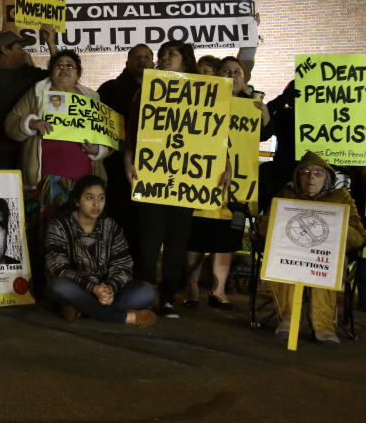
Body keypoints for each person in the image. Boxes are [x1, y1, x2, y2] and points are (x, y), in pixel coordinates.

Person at [123, 40, 229, 318]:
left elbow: (216, 135)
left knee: (176, 246)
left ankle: (168, 297)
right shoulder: (146, 91)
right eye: (163, 54)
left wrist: (226, 164)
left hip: (185, 184)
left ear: (186, 60)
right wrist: (128, 161)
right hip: (152, 178)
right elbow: (132, 132)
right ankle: (145, 294)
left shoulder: (205, 93)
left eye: (171, 54)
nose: (165, 58)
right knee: (148, 245)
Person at [185, 56, 271, 310]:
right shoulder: (202, 100)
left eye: (237, 72)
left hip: (238, 187)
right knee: (196, 238)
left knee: (226, 240)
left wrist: (264, 114)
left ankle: (219, 290)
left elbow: (266, 133)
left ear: (244, 80)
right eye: (226, 71)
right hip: (204, 180)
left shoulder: (252, 105)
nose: (232, 76)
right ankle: (191, 287)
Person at [257, 151, 366, 345]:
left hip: (325, 257)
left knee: (324, 266)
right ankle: (289, 318)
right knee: (283, 261)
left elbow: (359, 236)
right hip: (291, 253)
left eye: (317, 173)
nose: (310, 178)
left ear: (327, 177)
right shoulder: (287, 194)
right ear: (297, 176)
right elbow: (263, 225)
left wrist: (336, 226)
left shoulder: (341, 198)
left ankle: (323, 324)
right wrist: (281, 223)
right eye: (305, 172)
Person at [4, 50, 111, 243]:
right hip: (45, 177)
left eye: (70, 66)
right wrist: (31, 123)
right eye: (58, 65)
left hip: (83, 178)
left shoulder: (92, 99)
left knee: (81, 234)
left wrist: (97, 150)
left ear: (78, 74)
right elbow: (11, 123)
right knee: (47, 234)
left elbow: (107, 138)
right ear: (51, 72)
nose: (64, 69)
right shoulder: (37, 94)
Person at [45, 175, 156, 327]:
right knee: (57, 286)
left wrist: (110, 288)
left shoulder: (111, 226)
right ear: (77, 201)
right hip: (78, 288)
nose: (96, 204)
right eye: (89, 198)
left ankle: (83, 310)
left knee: (147, 291)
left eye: (101, 198)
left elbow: (123, 265)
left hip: (106, 292)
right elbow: (58, 267)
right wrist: (93, 287)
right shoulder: (60, 226)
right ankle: (125, 317)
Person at [0, 27, 57, 169]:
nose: (24, 53)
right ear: (5, 50)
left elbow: (57, 77)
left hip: (26, 153)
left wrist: (51, 44)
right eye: (19, 49)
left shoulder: (28, 73)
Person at [96, 44, 154, 254]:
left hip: (154, 168)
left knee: (146, 225)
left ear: (153, 62)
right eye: (137, 57)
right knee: (117, 220)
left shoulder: (164, 93)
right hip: (116, 167)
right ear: (127, 62)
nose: (142, 60)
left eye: (147, 56)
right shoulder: (110, 89)